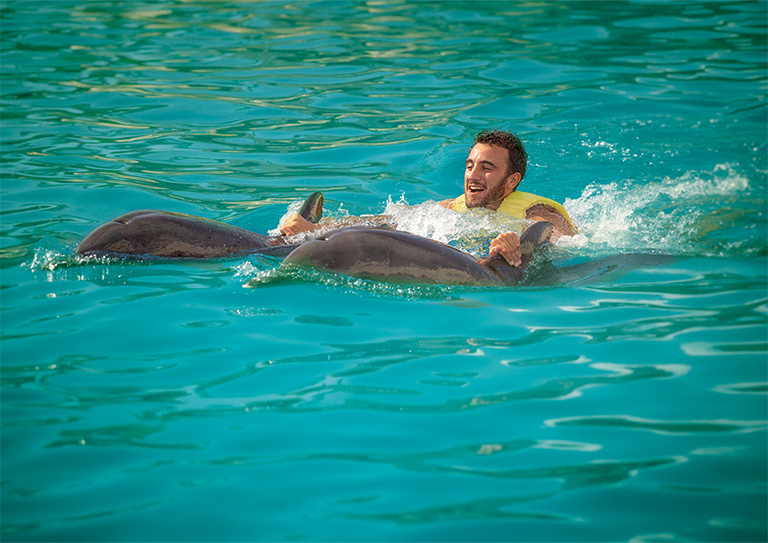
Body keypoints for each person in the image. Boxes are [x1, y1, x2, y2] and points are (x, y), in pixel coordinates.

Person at [279, 130, 576, 267]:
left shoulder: (536, 207)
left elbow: (553, 232)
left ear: (512, 180)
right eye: (470, 165)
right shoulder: (454, 207)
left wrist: (521, 242)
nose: (473, 175)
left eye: (487, 168)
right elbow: (391, 220)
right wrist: (317, 228)